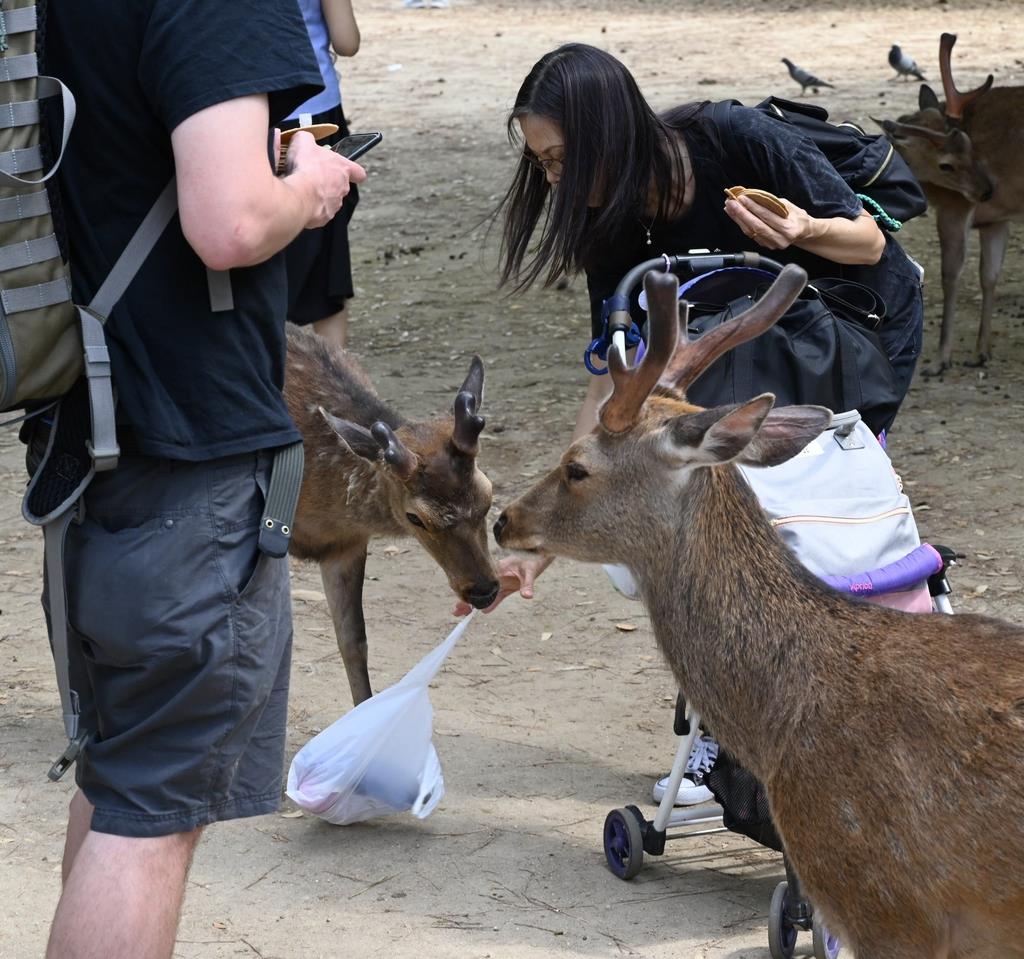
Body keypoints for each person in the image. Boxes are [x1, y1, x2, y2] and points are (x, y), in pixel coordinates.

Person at [463, 42, 925, 801]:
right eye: (542, 164)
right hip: (731, 382)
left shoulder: (732, 139)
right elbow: (615, 394)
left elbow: (869, 240)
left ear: (607, 133)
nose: (553, 180)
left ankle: (788, 735)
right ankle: (731, 744)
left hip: (851, 337)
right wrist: (539, 545)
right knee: (689, 530)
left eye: (560, 159)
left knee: (788, 529)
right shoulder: (608, 227)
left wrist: (799, 230)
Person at [38, 2, 364, 956]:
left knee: (124, 776)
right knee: (154, 816)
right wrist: (308, 183)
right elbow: (227, 222)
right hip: (192, 454)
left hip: (93, 428)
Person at [282, 0, 362, 351]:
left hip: (247, 113)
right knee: (328, 253)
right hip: (317, 113)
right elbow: (347, 42)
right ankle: (337, 381)